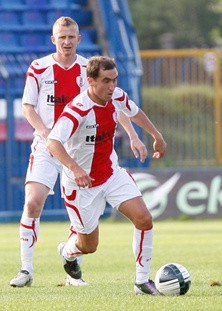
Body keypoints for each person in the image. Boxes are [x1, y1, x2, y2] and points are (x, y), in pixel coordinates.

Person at [9, 16, 148, 288]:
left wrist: (133, 135)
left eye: (71, 36)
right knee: (33, 202)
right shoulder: (38, 68)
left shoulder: (90, 69)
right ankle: (26, 269)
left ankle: (73, 267)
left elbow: (112, 101)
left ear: (79, 39)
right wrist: (46, 133)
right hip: (49, 146)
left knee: (86, 219)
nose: (67, 41)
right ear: (53, 39)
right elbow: (28, 106)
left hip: (84, 150)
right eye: (62, 37)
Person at [46, 55, 166, 295]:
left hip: (111, 174)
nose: (112, 86)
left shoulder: (117, 96)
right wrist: (75, 168)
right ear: (90, 81)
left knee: (144, 219)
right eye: (105, 81)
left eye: (114, 80)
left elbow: (134, 112)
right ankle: (68, 252)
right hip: (81, 185)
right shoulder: (78, 109)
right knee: (89, 246)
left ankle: (142, 282)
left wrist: (157, 136)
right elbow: (53, 142)